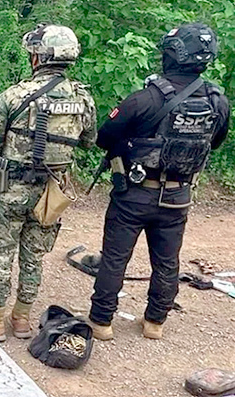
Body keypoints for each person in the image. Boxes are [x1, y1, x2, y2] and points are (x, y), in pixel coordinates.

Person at [88, 23, 230, 340]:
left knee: (115, 258)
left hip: (134, 193)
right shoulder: (217, 100)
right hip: (178, 196)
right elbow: (215, 142)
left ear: (172, 55)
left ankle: (101, 322)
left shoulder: (145, 99)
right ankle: (155, 322)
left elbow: (104, 137)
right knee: (167, 261)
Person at [0, 24, 97, 342]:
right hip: (51, 193)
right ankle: (22, 319)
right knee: (34, 254)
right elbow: (88, 142)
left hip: (11, 189)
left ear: (38, 57)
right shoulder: (83, 98)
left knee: (2, 252)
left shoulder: (14, 96)